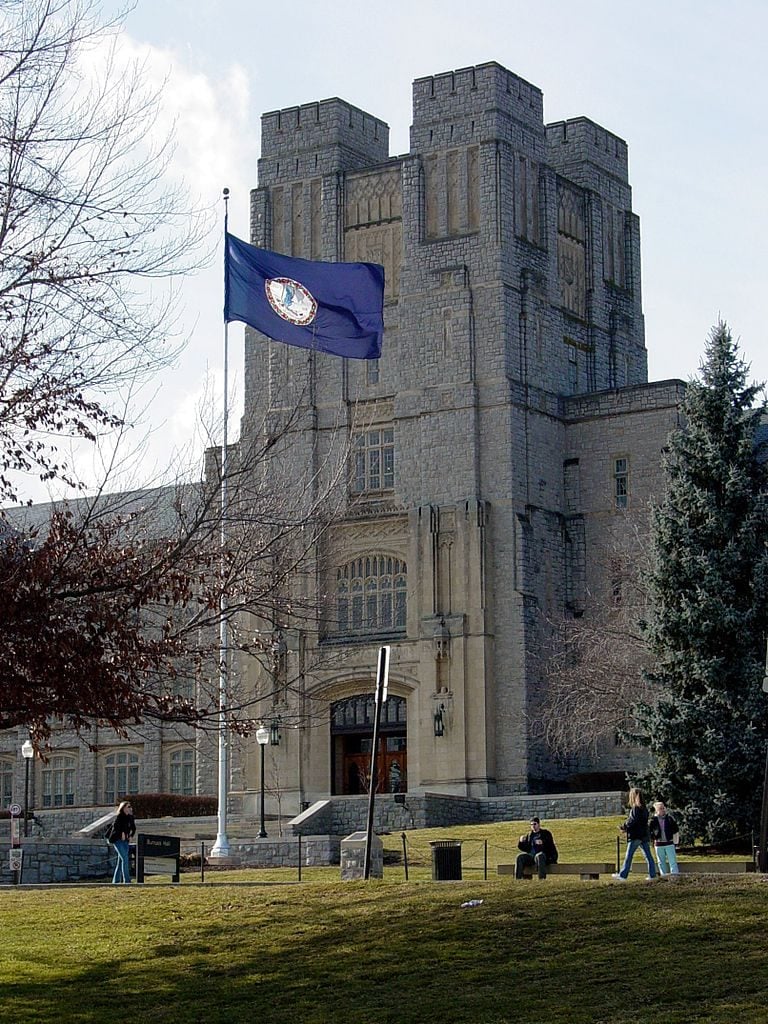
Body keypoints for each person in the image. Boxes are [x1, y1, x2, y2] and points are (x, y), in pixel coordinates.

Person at [612, 787, 657, 880]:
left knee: (629, 856)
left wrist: (624, 826)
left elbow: (632, 821)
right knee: (648, 856)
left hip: (635, 835)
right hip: (644, 835)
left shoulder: (635, 809)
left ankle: (623, 875)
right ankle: (652, 875)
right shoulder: (644, 809)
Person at [649, 800, 680, 877]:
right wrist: (653, 838)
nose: (663, 810)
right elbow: (649, 831)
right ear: (657, 810)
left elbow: (675, 829)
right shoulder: (653, 820)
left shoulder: (669, 818)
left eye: (663, 808)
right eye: (661, 808)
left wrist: (675, 841)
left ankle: (675, 876)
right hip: (659, 844)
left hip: (669, 843)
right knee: (661, 862)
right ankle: (663, 876)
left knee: (672, 861)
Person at [108, 799, 136, 884]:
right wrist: (122, 833)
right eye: (128, 807)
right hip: (117, 840)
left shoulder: (130, 817)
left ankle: (115, 881)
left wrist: (131, 835)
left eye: (130, 807)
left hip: (125, 841)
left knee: (120, 862)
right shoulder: (119, 817)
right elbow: (116, 828)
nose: (130, 808)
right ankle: (127, 880)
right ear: (123, 808)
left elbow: (133, 828)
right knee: (125, 858)